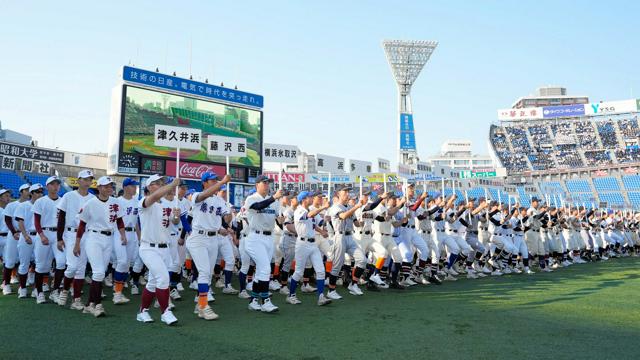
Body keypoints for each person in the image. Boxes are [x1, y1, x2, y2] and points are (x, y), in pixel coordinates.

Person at [73, 176, 126, 317]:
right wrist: (77, 243)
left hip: (108, 238)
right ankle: (97, 305)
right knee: (98, 273)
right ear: (99, 187)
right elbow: (82, 224)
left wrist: (123, 235)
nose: (109, 188)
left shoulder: (115, 202)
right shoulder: (90, 203)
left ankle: (89, 305)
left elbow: (120, 221)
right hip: (93, 237)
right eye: (106, 186)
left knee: (100, 274)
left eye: (110, 186)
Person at [135, 174, 181, 325]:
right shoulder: (144, 201)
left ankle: (143, 311)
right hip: (148, 248)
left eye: (161, 182)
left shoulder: (166, 204)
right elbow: (153, 198)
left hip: (164, 247)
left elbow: (172, 224)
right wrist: (172, 185)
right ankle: (165, 312)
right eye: (156, 183)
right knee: (163, 278)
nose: (160, 184)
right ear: (149, 187)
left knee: (153, 283)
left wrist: (176, 217)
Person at [185, 171, 231, 320]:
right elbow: (205, 195)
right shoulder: (197, 196)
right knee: (204, 272)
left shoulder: (219, 200)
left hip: (213, 238)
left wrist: (228, 211)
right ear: (204, 182)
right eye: (212, 181)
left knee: (208, 274)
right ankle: (204, 306)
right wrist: (222, 182)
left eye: (216, 180)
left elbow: (226, 218)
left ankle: (200, 304)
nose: (215, 182)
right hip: (198, 238)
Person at [244, 175, 283, 313]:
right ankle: (265, 301)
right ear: (257, 185)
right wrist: (273, 198)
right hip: (255, 237)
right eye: (264, 182)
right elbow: (259, 206)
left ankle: (253, 300)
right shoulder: (252, 198)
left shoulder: (275, 201)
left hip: (268, 237)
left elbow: (278, 219)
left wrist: (281, 219)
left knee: (261, 271)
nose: (267, 185)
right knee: (266, 269)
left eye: (268, 183)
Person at [56, 169, 95, 309]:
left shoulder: (93, 198)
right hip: (71, 233)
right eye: (84, 179)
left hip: (86, 234)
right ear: (78, 180)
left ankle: (76, 300)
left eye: (90, 179)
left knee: (81, 268)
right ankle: (65, 290)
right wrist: (59, 238)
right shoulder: (68, 196)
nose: (87, 182)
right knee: (72, 266)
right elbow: (61, 218)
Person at [286, 191, 332, 306]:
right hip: (302, 244)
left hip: (312, 244)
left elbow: (314, 223)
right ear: (304, 199)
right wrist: (323, 207)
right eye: (310, 197)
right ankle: (291, 295)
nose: (312, 198)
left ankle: (321, 297)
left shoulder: (308, 210)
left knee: (320, 271)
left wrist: (322, 229)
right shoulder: (299, 210)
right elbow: (310, 216)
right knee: (298, 272)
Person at [32, 176, 63, 304]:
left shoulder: (63, 201)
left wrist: (62, 237)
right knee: (41, 266)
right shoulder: (40, 201)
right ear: (47, 187)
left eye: (57, 184)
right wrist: (41, 235)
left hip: (58, 235)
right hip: (44, 233)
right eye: (52, 184)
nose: (55, 186)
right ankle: (39, 292)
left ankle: (55, 291)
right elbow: (36, 221)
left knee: (61, 262)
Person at [16, 184, 43, 299]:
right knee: (24, 264)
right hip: (26, 235)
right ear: (31, 193)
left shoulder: (43, 205)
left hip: (39, 236)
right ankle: (22, 288)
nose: (40, 194)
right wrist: (25, 235)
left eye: (41, 192)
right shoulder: (23, 206)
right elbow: (20, 222)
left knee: (39, 264)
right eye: (37, 191)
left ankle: (37, 289)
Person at [2, 185, 28, 296]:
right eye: (27, 190)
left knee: (25, 261)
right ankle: (6, 285)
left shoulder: (31, 205)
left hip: (26, 234)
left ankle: (23, 286)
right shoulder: (13, 205)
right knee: (10, 261)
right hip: (14, 235)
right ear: (21, 192)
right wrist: (13, 232)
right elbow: (7, 220)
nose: (29, 192)